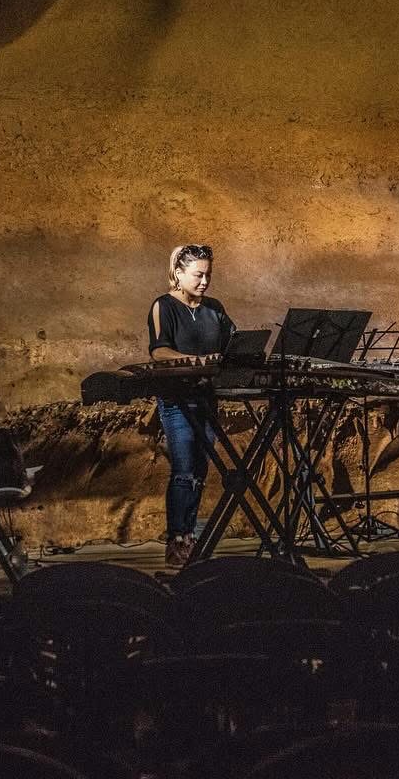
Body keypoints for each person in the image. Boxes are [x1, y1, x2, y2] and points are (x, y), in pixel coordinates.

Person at [147, 243, 235, 567]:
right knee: (183, 469)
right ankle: (177, 539)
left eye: (208, 275)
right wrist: (196, 360)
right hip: (177, 400)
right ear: (178, 273)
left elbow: (231, 343)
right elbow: (159, 351)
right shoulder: (164, 306)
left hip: (206, 398)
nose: (204, 281)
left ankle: (189, 536)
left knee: (199, 469)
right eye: (198, 275)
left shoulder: (214, 308)